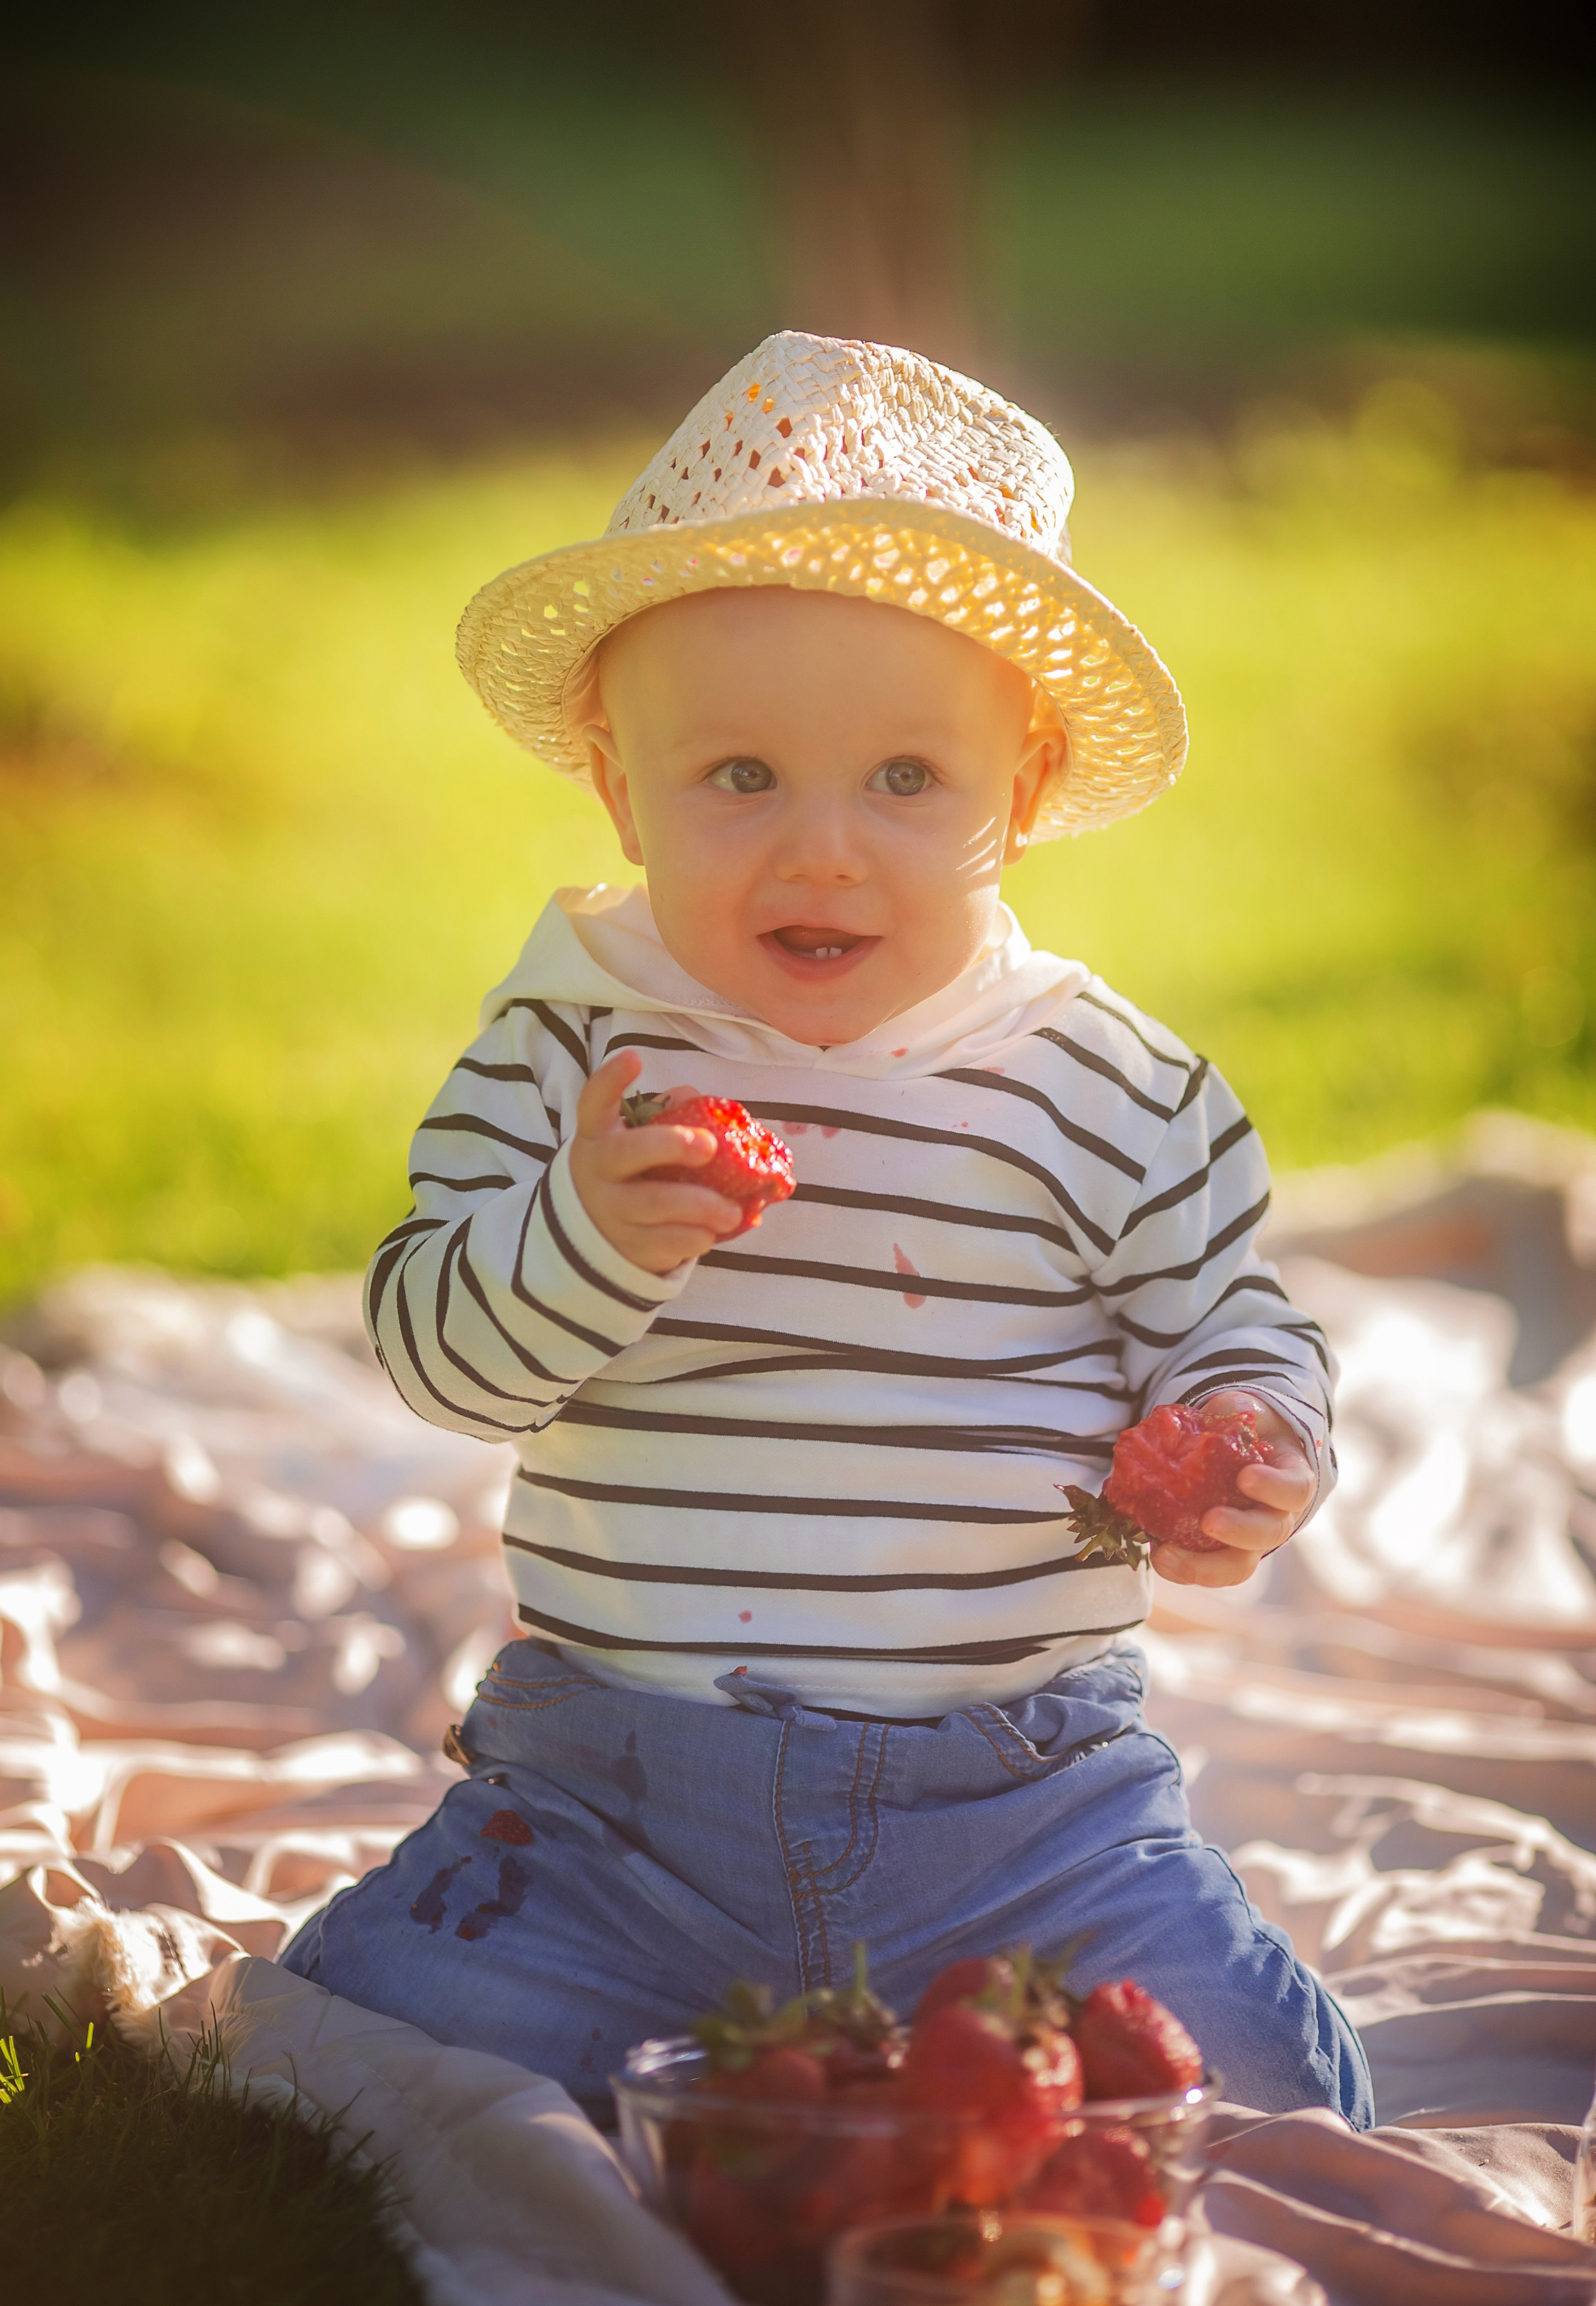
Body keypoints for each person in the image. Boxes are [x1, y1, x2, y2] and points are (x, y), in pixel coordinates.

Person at [281, 332, 1372, 2127]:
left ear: (1017, 798)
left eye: (905, 783)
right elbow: (436, 1351)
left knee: (1247, 2096)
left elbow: (1231, 1316)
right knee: (373, 2055)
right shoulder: (570, 1047)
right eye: (736, 780)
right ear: (622, 792)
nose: (822, 853)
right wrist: (584, 1229)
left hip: (1022, 1805)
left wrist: (1256, 1437)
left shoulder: (1114, 1086)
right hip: (619, 1800)